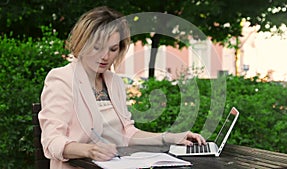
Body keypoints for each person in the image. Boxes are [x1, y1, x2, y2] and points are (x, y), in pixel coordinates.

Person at [39, 6, 206, 169]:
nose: (105, 57)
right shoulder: (62, 79)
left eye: (113, 49)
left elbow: (127, 134)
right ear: (82, 43)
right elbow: (52, 141)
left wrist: (170, 138)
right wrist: (89, 150)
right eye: (97, 47)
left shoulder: (114, 82)